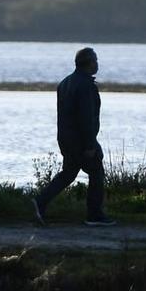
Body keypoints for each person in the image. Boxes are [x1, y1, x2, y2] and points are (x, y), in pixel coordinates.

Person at [32, 46, 115, 227]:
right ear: (90, 63)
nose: (97, 64)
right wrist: (90, 144)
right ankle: (94, 214)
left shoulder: (65, 83)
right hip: (80, 140)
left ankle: (40, 201)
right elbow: (86, 117)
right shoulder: (86, 86)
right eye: (96, 60)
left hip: (65, 138)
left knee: (69, 173)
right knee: (96, 172)